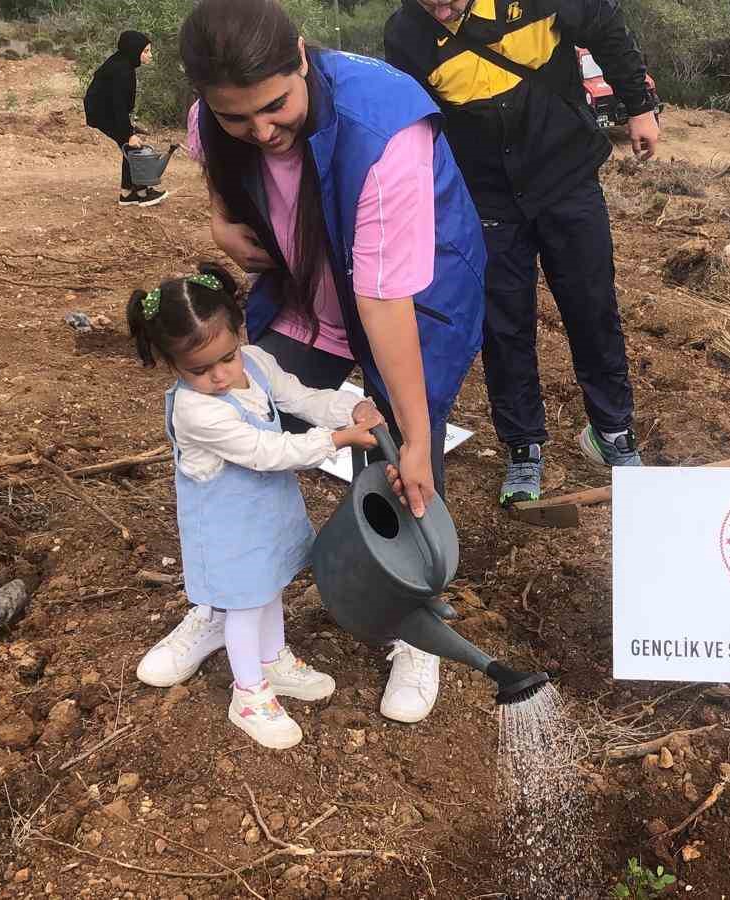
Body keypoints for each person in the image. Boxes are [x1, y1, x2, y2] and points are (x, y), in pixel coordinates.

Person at [135, 0, 486, 725]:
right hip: (305, 293)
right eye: (238, 118)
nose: (262, 132)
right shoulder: (212, 118)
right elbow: (217, 166)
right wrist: (221, 222)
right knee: (235, 428)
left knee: (402, 459)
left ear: (300, 55)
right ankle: (225, 603)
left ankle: (414, 624)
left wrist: (416, 437)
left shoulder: (385, 128)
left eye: (275, 107)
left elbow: (383, 300)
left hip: (409, 296)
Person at [384, 0, 662, 505]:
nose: (440, 10)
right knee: (504, 324)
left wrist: (639, 107)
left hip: (567, 177)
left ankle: (613, 431)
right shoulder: (407, 34)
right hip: (486, 198)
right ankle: (522, 446)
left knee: (591, 305)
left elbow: (604, 25)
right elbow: (415, 124)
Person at [126, 262, 385, 749]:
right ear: (172, 365)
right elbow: (266, 452)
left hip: (265, 514)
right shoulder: (196, 410)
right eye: (199, 370)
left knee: (270, 587)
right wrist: (336, 439)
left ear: (240, 333)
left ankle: (272, 660)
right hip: (228, 528)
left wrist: (348, 408)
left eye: (227, 358)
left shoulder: (257, 364)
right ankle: (248, 692)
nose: (220, 375)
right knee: (244, 606)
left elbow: (301, 397)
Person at [84, 30, 169, 207]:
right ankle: (141, 192)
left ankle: (127, 193)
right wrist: (128, 133)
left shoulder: (124, 63)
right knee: (132, 146)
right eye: (146, 51)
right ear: (134, 50)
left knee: (130, 147)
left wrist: (128, 130)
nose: (150, 55)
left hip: (105, 110)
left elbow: (119, 103)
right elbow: (118, 106)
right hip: (102, 113)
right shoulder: (121, 70)